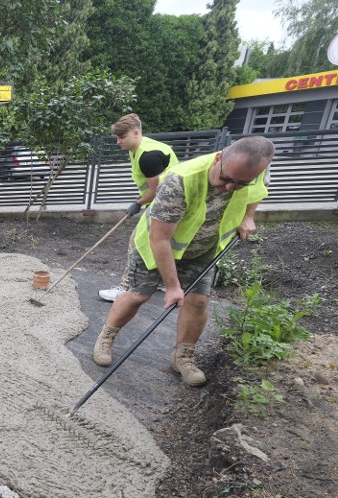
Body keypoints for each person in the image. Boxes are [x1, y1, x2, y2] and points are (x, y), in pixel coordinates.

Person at [92, 136, 274, 387]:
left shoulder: (252, 176)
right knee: (139, 295)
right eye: (226, 179)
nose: (231, 187)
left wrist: (248, 216)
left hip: (202, 250)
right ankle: (106, 336)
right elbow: (160, 239)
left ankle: (183, 357)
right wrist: (173, 286)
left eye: (240, 183)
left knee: (197, 302)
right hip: (157, 248)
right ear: (219, 159)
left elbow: (257, 191)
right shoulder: (180, 180)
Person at [99, 114, 179, 302]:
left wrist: (138, 203)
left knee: (137, 241)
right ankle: (159, 280)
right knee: (159, 242)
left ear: (136, 133)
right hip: (168, 202)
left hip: (166, 204)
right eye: (117, 138)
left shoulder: (148, 156)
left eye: (122, 137)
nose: (118, 142)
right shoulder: (138, 147)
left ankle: (125, 288)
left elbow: (156, 189)